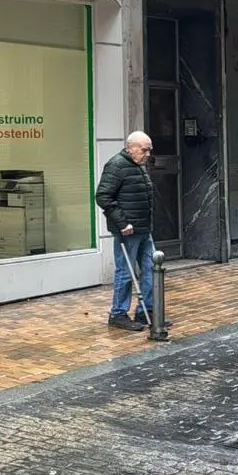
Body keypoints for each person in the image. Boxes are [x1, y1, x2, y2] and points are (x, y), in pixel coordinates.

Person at [96, 131, 164, 331]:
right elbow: (103, 196)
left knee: (152, 270)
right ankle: (118, 313)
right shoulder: (116, 165)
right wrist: (123, 223)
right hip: (127, 231)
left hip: (144, 229)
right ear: (131, 147)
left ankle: (147, 311)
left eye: (149, 150)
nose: (148, 154)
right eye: (144, 150)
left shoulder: (139, 166)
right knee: (125, 273)